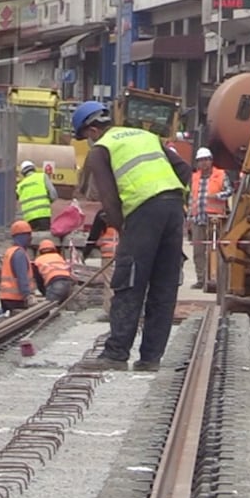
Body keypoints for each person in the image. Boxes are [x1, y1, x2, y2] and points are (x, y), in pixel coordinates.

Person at [72, 101, 191, 372]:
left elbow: (110, 201)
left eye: (84, 137)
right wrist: (174, 201)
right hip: (173, 209)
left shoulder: (101, 150)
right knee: (164, 285)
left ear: (91, 130)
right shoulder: (147, 136)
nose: (87, 142)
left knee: (129, 281)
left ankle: (115, 355)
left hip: (143, 211)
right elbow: (183, 170)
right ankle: (150, 358)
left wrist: (124, 231)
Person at [188, 147, 232, 289]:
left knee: (215, 250)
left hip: (215, 219)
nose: (204, 163)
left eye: (206, 160)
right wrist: (189, 217)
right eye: (201, 160)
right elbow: (191, 198)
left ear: (211, 161)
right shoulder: (195, 177)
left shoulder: (220, 175)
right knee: (198, 251)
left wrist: (217, 196)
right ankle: (201, 279)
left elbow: (230, 191)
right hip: (197, 219)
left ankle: (216, 279)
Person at [0, 220, 35, 313]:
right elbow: (21, 276)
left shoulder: (10, 251)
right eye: (28, 235)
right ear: (22, 236)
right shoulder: (20, 254)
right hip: (16, 299)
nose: (30, 238)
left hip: (6, 298)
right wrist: (28, 295)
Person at [15, 160, 56, 232]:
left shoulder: (20, 185)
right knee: (45, 237)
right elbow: (53, 194)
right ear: (34, 168)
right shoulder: (42, 176)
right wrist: (48, 202)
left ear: (23, 173)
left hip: (29, 218)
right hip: (43, 214)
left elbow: (13, 199)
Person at [32, 239, 73, 303]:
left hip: (54, 283)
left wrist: (44, 293)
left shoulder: (38, 261)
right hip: (68, 282)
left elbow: (39, 281)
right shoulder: (59, 257)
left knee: (49, 308)